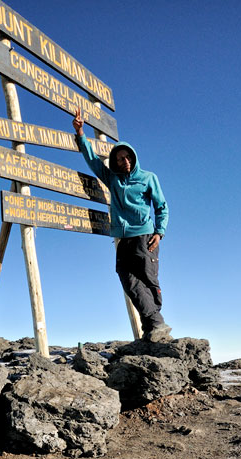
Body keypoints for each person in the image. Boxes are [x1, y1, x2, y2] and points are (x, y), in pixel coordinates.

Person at [72, 106, 171, 341]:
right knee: (127, 278)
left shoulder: (148, 178)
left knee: (148, 279)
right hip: (121, 238)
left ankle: (154, 326)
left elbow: (161, 206)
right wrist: (80, 134)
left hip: (145, 236)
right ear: (115, 163)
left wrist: (160, 232)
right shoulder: (113, 179)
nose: (124, 161)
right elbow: (93, 161)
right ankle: (155, 324)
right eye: (119, 159)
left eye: (127, 157)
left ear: (133, 158)